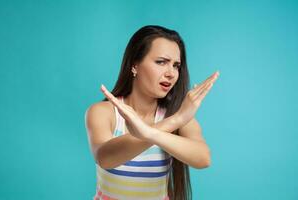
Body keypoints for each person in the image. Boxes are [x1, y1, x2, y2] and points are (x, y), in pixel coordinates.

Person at [85, 25, 219, 200]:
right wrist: (173, 121)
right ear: (135, 65)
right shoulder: (103, 112)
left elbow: (203, 158)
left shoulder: (178, 116)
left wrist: (150, 131)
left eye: (176, 65)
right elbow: (104, 158)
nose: (171, 73)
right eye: (161, 62)